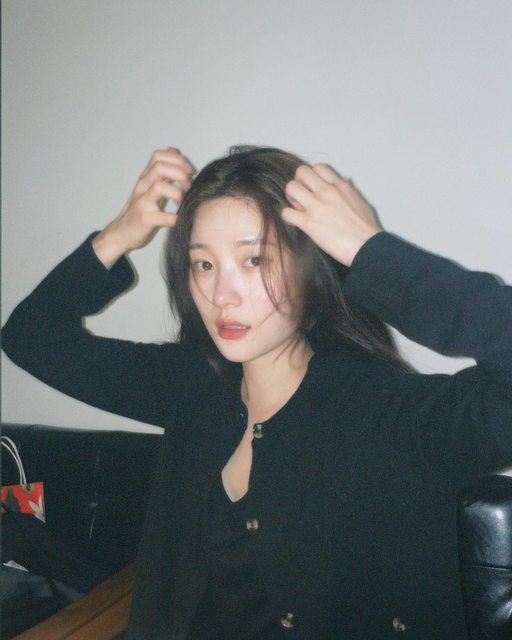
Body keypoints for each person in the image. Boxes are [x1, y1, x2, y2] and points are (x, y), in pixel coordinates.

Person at [3, 145, 512, 640]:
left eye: (253, 260)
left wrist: (370, 252)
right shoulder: (192, 385)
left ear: (311, 268)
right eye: (204, 264)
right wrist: (118, 235)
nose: (221, 296)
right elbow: (30, 338)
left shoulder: (388, 415)